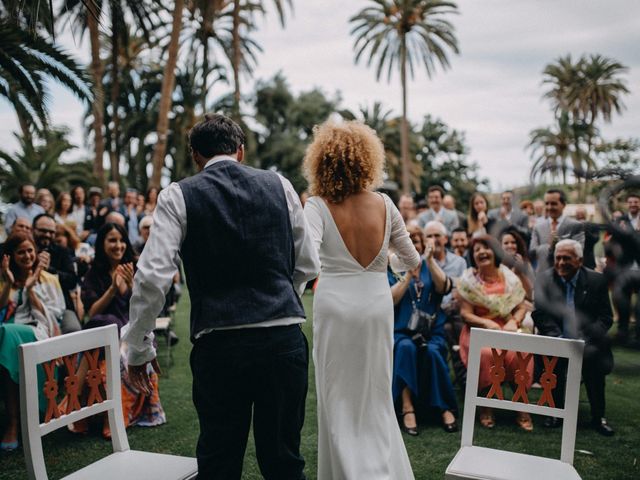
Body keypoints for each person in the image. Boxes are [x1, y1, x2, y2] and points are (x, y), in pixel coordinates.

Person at [123, 114, 319, 479]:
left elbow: (152, 277)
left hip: (220, 347)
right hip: (283, 341)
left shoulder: (178, 195)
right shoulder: (281, 185)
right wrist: (279, 298)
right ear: (240, 151)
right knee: (284, 461)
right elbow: (307, 263)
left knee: (219, 461)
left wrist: (138, 347)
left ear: (195, 155)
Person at [304, 120, 419, 479]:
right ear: (367, 160)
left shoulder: (317, 206)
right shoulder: (385, 204)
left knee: (337, 397)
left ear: (322, 161)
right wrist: (385, 261)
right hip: (376, 302)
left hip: (335, 303)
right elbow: (412, 261)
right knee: (374, 396)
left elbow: (306, 258)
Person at [532, 239, 615, 436]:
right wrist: (558, 338)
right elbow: (540, 314)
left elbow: (605, 318)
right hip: (557, 339)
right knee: (553, 365)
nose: (560, 263)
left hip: (588, 342)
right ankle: (555, 413)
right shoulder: (544, 280)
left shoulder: (597, 281)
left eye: (566, 258)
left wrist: (584, 339)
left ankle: (598, 417)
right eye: (557, 258)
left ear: (579, 260)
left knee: (594, 367)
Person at [457, 235, 533, 431]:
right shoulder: (468, 281)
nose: (482, 252)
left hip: (508, 328)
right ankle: (486, 405)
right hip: (480, 331)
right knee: (487, 354)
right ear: (472, 256)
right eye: (477, 250)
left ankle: (521, 406)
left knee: (521, 354)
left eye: (487, 248)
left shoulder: (509, 277)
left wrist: (514, 321)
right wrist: (486, 322)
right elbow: (465, 314)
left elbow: (522, 305)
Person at [388, 224, 457, 436]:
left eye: (415, 241)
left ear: (420, 244)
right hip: (402, 330)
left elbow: (443, 286)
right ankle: (407, 408)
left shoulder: (429, 265)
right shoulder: (392, 267)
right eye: (405, 242)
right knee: (406, 349)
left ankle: (444, 407)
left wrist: (428, 260)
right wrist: (408, 273)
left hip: (430, 330)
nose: (410, 245)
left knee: (434, 352)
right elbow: (390, 299)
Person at [0, 232, 64, 450]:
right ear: (10, 256)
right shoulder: (4, 279)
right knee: (6, 335)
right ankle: (14, 421)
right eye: (20, 252)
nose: (27, 256)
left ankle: (14, 422)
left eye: (30, 250)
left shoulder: (49, 279)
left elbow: (55, 315)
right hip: (6, 332)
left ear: (36, 252)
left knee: (7, 336)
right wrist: (10, 283)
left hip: (37, 330)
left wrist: (30, 288)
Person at [32, 214, 81, 334]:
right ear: (33, 229)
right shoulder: (26, 250)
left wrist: (49, 270)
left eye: (51, 232)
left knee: (73, 329)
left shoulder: (62, 252)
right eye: (43, 231)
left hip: (62, 305)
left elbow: (72, 281)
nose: (47, 235)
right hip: (31, 305)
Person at [530, 189, 584, 272]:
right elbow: (532, 252)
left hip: (567, 275)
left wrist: (558, 243)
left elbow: (579, 252)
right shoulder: (538, 227)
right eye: (547, 203)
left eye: (553, 204)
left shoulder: (575, 226)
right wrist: (548, 247)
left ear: (564, 205)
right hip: (544, 276)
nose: (549, 207)